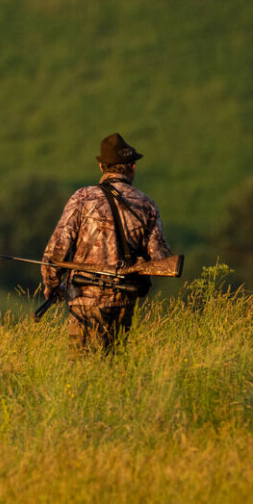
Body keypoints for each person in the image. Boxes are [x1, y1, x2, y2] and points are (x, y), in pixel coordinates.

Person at [41, 132, 172, 352]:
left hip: (84, 301)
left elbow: (57, 251)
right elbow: (161, 259)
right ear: (132, 168)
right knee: (113, 368)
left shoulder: (83, 198)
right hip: (123, 302)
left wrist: (52, 285)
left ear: (102, 167)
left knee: (82, 372)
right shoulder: (147, 204)